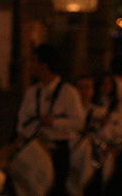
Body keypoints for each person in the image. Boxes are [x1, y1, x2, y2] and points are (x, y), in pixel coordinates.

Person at [16, 44, 85, 196]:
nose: (30, 65)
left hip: (57, 151)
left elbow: (79, 123)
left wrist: (54, 123)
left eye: (34, 61)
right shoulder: (32, 92)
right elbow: (22, 120)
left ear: (44, 65)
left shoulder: (68, 92)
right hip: (34, 150)